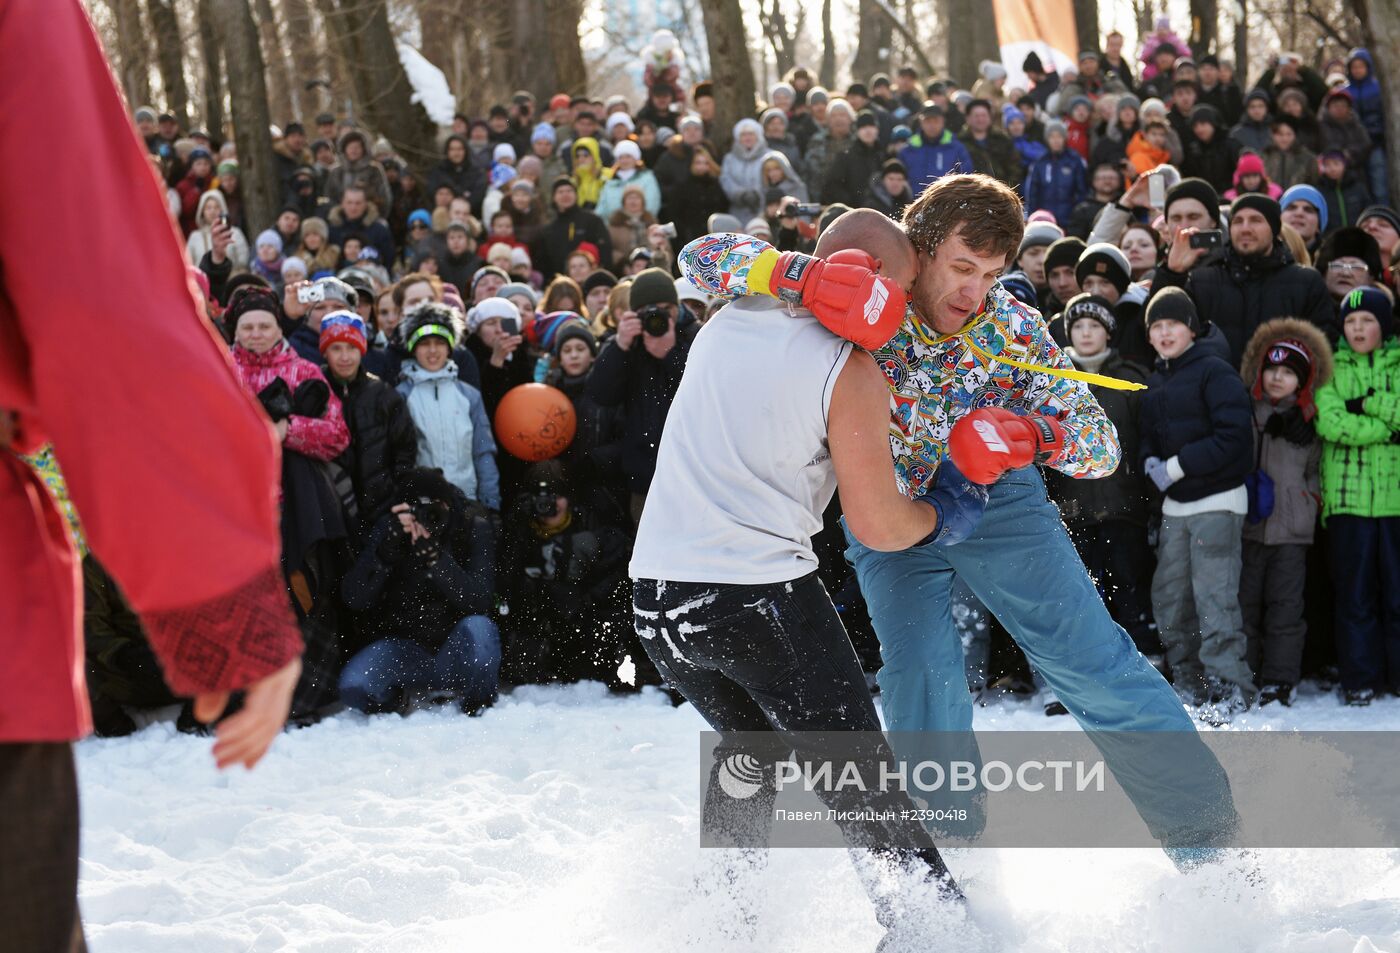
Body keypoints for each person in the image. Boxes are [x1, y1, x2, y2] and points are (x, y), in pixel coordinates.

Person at [2, 7, 304, 947]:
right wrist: (226, 605)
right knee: (771, 728)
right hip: (734, 587)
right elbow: (103, 308)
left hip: (715, 583)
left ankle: (750, 885)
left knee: (764, 738)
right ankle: (755, 891)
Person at [843, 174, 1238, 863]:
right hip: (892, 509)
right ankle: (951, 856)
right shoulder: (866, 301)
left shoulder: (1013, 325)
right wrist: (791, 273)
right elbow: (703, 264)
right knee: (920, 674)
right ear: (919, 248)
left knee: (1089, 660)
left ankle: (1209, 842)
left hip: (998, 504)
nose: (974, 291)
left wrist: (1032, 435)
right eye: (962, 268)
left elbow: (1101, 444)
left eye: (991, 273)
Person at [641, 212, 968, 940]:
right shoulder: (847, 365)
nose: (906, 308)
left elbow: (702, 259)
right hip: (755, 597)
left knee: (748, 750)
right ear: (872, 280)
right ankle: (940, 933)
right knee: (865, 789)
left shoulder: (735, 309)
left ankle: (727, 918)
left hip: (657, 602)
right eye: (905, 288)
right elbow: (880, 525)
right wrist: (949, 510)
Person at [1138, 288, 1256, 721]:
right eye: (1156, 326)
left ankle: (1231, 688)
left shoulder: (1214, 371)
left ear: (1191, 328)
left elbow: (1234, 437)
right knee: (1170, 599)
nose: (1165, 332)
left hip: (1217, 501)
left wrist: (1180, 465)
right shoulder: (1157, 379)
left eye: (1173, 324)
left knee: (1214, 599)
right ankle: (1189, 685)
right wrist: (1148, 459)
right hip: (1175, 507)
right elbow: (1150, 432)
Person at [1043, 294, 1158, 668]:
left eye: (1094, 325)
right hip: (1075, 512)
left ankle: (1145, 665)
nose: (1086, 333)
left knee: (1130, 588)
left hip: (1125, 509)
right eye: (1079, 326)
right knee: (1086, 595)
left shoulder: (1131, 381)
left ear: (1108, 333)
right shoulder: (1055, 382)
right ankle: (1091, 670)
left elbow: (1146, 442)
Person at [339, 467, 500, 714]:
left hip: (457, 645)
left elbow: (480, 601)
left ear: (448, 504)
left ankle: (477, 704)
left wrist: (437, 560)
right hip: (406, 648)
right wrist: (385, 554)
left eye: (435, 509)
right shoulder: (390, 529)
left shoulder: (470, 525)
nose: (428, 518)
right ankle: (393, 701)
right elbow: (354, 599)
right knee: (353, 687)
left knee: (481, 629)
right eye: (419, 510)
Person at [1237, 317, 1333, 706]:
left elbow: (1316, 470)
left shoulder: (1310, 422)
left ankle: (1280, 678)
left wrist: (1309, 501)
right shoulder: (1248, 412)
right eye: (1272, 369)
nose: (1278, 378)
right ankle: (1247, 671)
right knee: (1244, 605)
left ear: (1303, 380)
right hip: (1249, 526)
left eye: (1288, 373)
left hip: (1292, 529)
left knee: (1286, 608)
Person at [1314, 288, 1400, 706]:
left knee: (1398, 593)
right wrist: (1388, 427)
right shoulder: (1330, 366)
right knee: (1355, 595)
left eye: (1367, 320)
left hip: (1396, 498)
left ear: (1383, 324)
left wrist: (1366, 402)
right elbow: (1332, 425)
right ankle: (1360, 678)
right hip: (1348, 499)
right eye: (1350, 322)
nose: (1358, 328)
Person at [1151, 192, 1333, 367]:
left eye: (1256, 220)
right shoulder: (1202, 281)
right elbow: (1160, 328)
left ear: (1274, 228)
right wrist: (1172, 273)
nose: (1245, 228)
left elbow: (1322, 347)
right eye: (1238, 221)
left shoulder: (1306, 282)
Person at [586, 268, 700, 524]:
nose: (658, 315)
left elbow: (704, 393)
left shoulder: (696, 335)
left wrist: (670, 354)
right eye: (649, 309)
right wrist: (620, 346)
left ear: (676, 306)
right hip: (644, 474)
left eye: (665, 308)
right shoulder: (629, 342)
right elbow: (600, 395)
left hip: (693, 471)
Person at [320, 312, 418, 541]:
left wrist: (396, 494)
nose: (345, 357)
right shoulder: (316, 390)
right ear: (325, 351)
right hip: (332, 508)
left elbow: (404, 448)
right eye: (336, 348)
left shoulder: (384, 394)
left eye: (351, 348)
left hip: (381, 508)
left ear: (362, 350)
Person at [395, 302, 501, 512]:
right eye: (424, 343)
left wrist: (490, 502)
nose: (433, 351)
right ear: (414, 348)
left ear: (450, 347)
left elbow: (483, 451)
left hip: (467, 500)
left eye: (439, 343)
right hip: (423, 504)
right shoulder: (402, 395)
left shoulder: (469, 395)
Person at [1022, 119, 1087, 226]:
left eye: (1059, 136)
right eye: (1052, 137)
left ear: (1064, 138)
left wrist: (1077, 216)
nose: (1055, 140)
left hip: (1069, 219)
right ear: (1047, 139)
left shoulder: (1074, 160)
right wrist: (1032, 216)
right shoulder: (1040, 162)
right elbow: (1033, 193)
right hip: (1043, 220)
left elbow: (1081, 191)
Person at [901, 102, 973, 193]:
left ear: (943, 121)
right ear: (920, 122)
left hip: (946, 204)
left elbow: (966, 180)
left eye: (936, 121)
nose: (932, 125)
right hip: (913, 204)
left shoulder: (957, 148)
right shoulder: (908, 150)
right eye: (927, 121)